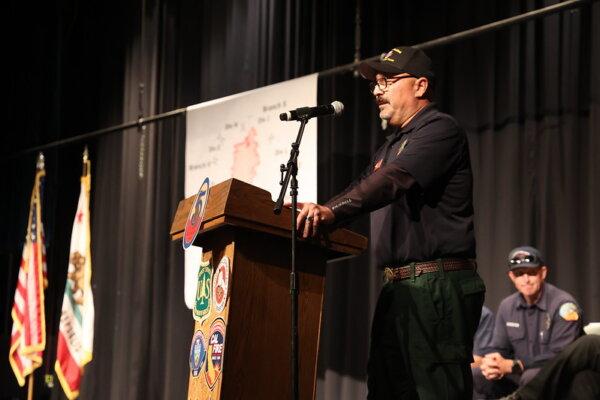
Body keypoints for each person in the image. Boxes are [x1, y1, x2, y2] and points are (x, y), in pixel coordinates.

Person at [294, 46, 486, 399]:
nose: (377, 90)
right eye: (374, 84)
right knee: (385, 391)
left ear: (420, 86)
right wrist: (321, 211)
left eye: (387, 81)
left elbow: (391, 180)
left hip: (436, 284)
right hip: (398, 288)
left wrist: (331, 213)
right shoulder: (389, 147)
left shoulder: (440, 130)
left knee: (435, 391)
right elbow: (360, 187)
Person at [473, 246, 583, 399]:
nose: (526, 279)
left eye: (531, 273)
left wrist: (515, 366)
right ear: (512, 277)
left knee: (531, 377)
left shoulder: (564, 306)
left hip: (556, 375)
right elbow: (499, 348)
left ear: (542, 273)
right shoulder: (507, 306)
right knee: (479, 374)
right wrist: (493, 363)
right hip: (518, 374)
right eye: (519, 274)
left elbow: (561, 356)